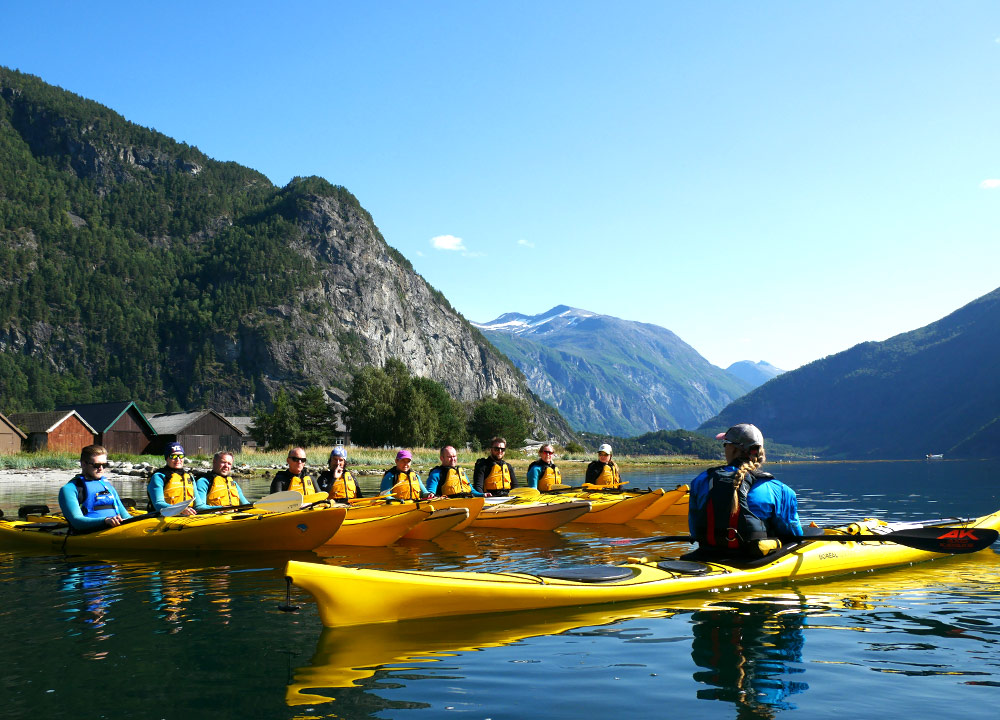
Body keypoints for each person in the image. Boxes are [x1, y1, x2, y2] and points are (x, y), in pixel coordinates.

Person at [687, 423, 802, 560]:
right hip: (753, 558)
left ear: (734, 449)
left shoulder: (701, 481)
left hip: (708, 553)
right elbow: (794, 535)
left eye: (725, 444)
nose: (724, 449)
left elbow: (694, 530)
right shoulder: (780, 489)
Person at [58, 444, 134, 532]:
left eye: (104, 465)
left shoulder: (107, 486)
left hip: (114, 531)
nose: (101, 469)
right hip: (88, 534)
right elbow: (77, 522)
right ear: (83, 464)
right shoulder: (69, 489)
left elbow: (126, 516)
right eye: (96, 465)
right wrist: (105, 521)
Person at [147, 442, 198, 516]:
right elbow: (158, 504)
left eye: (181, 456)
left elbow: (199, 505)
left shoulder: (190, 477)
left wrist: (220, 508)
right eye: (173, 456)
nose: (178, 459)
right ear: (167, 458)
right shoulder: (159, 477)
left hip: (187, 516)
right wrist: (180, 510)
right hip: (163, 517)